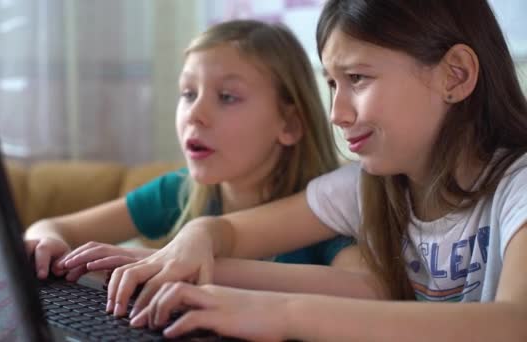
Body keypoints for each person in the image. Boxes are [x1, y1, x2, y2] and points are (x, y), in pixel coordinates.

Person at [98, 1, 527, 340]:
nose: (337, 113)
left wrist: (281, 313)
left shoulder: (517, 186)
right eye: (332, 84)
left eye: (357, 77)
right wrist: (194, 241)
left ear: (455, 75)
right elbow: (232, 233)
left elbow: (513, 325)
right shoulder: (363, 188)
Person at [23, 19, 358, 310]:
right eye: (187, 93)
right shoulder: (180, 190)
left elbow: (364, 290)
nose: (195, 114)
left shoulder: (325, 213)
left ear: (290, 125)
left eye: (227, 96)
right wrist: (46, 243)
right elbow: (51, 228)